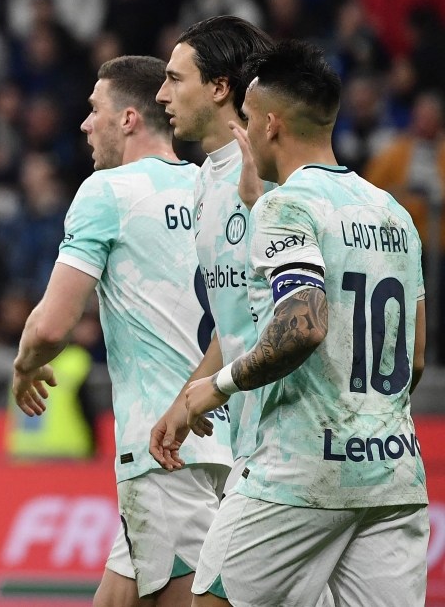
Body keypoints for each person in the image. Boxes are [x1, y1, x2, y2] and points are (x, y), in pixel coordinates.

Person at [181, 40, 428, 607]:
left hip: (297, 474)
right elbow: (413, 358)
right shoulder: (392, 212)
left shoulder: (286, 205)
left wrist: (213, 388)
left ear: (269, 124)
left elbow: (304, 324)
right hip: (392, 475)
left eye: (244, 119)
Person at [11, 56, 232, 607]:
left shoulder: (108, 191)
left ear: (129, 118)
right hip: (227, 435)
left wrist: (24, 364)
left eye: (93, 111)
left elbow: (52, 325)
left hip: (163, 446)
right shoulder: (217, 188)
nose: (84, 125)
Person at [151, 16, 274, 502]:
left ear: (220, 87)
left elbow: (296, 311)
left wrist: (213, 389)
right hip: (251, 438)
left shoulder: (272, 174)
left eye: (175, 79)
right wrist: (186, 400)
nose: (162, 95)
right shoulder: (203, 181)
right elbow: (239, 317)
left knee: (212, 582)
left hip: (290, 440)